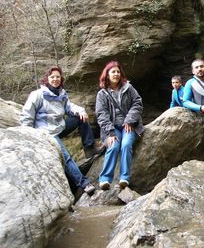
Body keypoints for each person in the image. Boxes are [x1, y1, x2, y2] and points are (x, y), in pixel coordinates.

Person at [20, 65, 96, 194]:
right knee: (65, 156)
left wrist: (80, 111)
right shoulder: (38, 95)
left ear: (61, 79)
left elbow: (69, 107)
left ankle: (89, 148)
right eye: (52, 77)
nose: (55, 79)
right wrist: (28, 136)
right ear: (47, 79)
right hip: (46, 133)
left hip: (59, 127)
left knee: (81, 118)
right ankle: (84, 183)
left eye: (58, 77)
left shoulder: (61, 94)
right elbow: (27, 116)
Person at [95, 61, 144, 190]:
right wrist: (110, 133)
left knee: (126, 144)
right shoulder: (102, 94)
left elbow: (137, 103)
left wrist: (130, 120)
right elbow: (101, 114)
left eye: (118, 72)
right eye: (113, 72)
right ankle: (105, 179)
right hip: (112, 128)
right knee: (113, 146)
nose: (116, 74)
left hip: (129, 126)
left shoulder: (129, 88)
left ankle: (124, 178)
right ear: (107, 75)